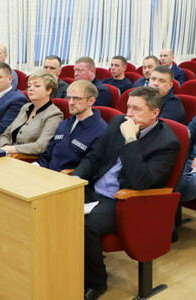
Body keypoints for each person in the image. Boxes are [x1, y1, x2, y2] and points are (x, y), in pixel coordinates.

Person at [73, 86, 180, 300]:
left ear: (154, 113)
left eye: (136, 109)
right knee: (54, 205)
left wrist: (131, 139)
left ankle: (96, 284)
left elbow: (141, 182)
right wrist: (76, 178)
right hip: (95, 189)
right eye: (128, 107)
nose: (129, 114)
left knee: (85, 225)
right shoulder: (117, 122)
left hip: (124, 200)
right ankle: (65, 265)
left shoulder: (167, 143)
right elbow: (95, 157)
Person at [36, 80, 108, 172]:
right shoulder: (64, 124)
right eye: (68, 98)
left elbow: (89, 168)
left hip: (69, 178)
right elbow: (47, 155)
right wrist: (39, 168)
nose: (71, 103)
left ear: (91, 101)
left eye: (76, 98)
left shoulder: (101, 131)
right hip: (47, 174)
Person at [0, 70, 63, 155]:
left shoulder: (54, 114)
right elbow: (5, 135)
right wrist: (5, 147)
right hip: (8, 154)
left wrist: (12, 149)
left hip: (26, 159)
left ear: (49, 90)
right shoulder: (25, 107)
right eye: (29, 86)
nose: (31, 89)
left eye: (36, 86)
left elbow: (41, 146)